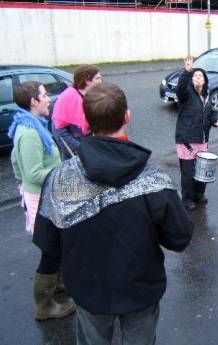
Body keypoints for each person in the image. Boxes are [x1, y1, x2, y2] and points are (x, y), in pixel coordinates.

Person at [33, 82, 194, 345]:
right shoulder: (152, 180)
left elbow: (49, 244)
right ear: (127, 117)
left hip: (88, 291)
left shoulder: (59, 178)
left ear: (85, 121)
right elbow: (180, 237)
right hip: (140, 290)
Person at [8, 81, 75, 320]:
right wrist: (65, 171)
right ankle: (44, 305)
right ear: (33, 101)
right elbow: (33, 173)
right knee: (51, 250)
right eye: (45, 95)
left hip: (46, 196)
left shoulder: (31, 124)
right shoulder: (28, 132)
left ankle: (59, 286)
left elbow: (16, 162)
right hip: (42, 200)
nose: (49, 99)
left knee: (56, 246)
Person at [175, 55, 218, 211]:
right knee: (188, 173)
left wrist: (215, 121)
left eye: (200, 75)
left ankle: (198, 194)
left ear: (204, 80)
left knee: (202, 170)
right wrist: (187, 71)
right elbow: (180, 88)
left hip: (202, 140)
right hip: (187, 140)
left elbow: (210, 113)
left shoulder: (206, 96)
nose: (197, 77)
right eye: (195, 75)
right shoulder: (186, 94)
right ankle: (187, 199)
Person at [52, 64, 102, 159]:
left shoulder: (93, 95)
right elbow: (59, 131)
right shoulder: (66, 98)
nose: (101, 81)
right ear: (87, 81)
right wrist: (80, 149)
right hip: (76, 154)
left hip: (90, 147)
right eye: (98, 78)